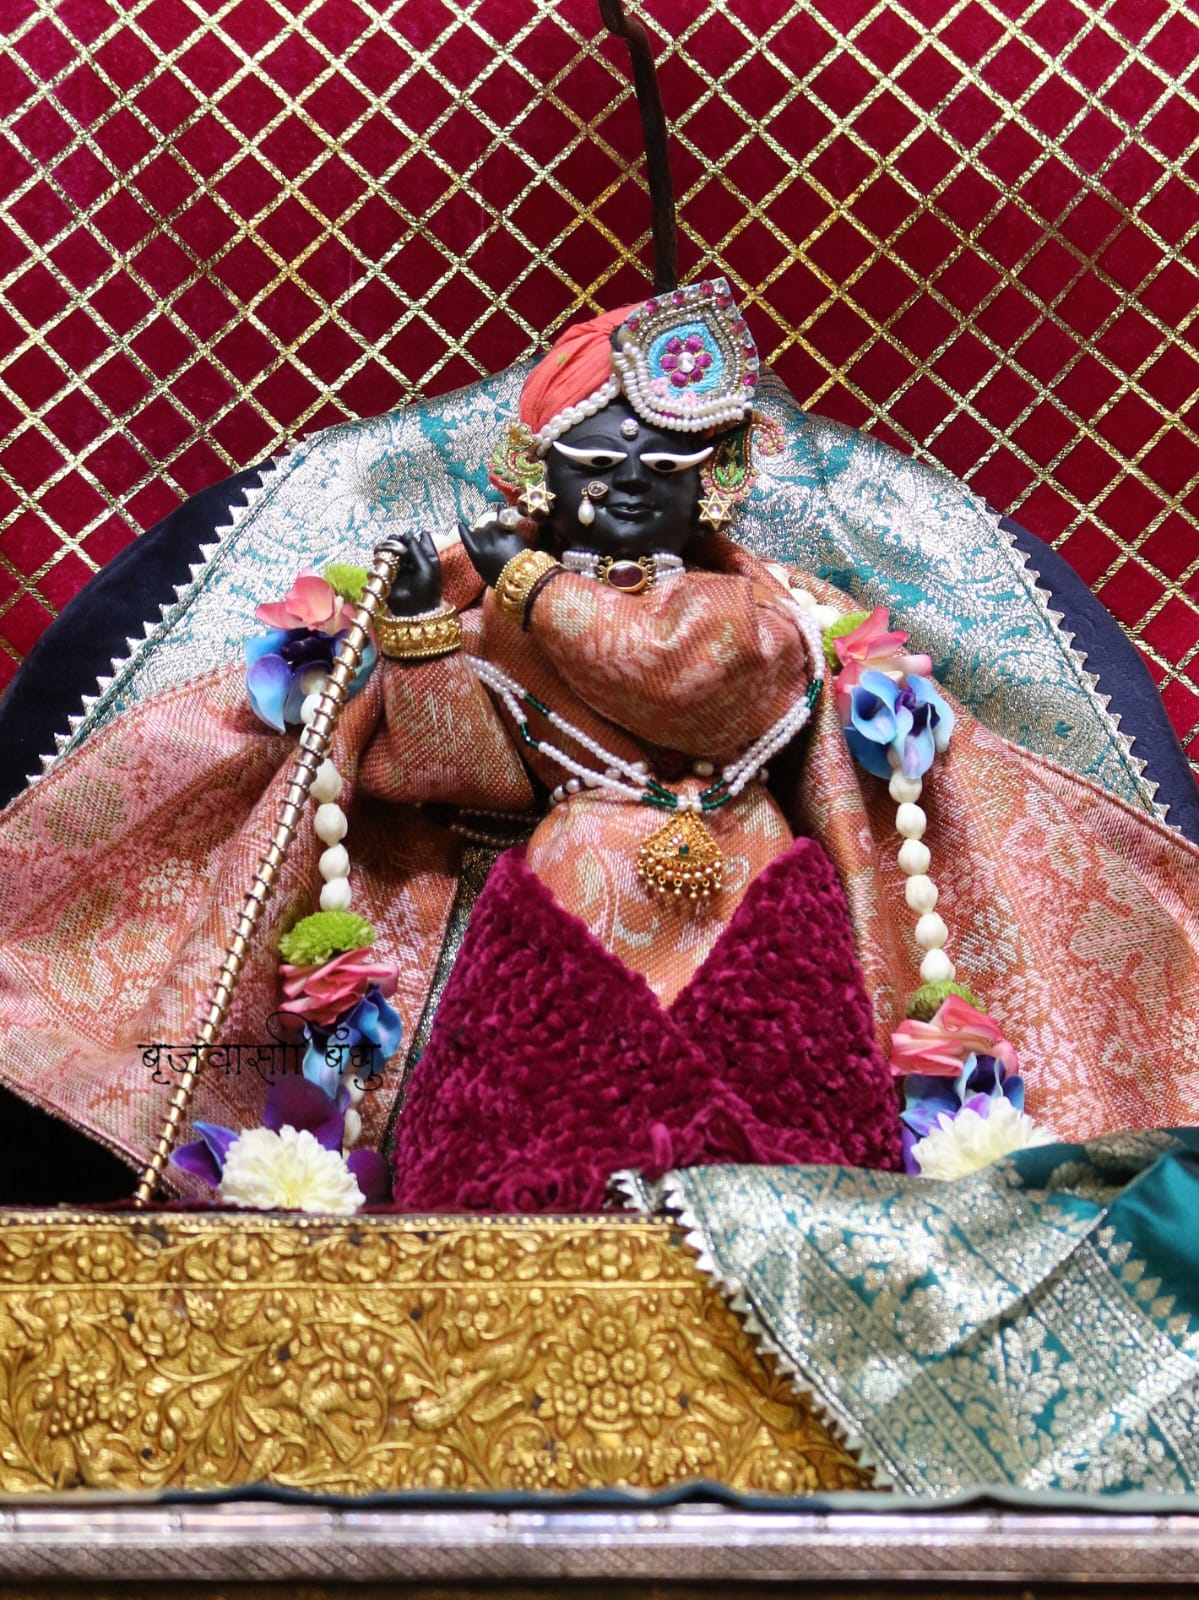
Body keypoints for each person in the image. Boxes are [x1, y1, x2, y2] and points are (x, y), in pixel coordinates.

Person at [0, 280, 1196, 1211]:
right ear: (541, 471)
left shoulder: (756, 611)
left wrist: (521, 577)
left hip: (748, 887)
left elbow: (684, 677)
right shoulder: (495, 613)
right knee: (536, 1153)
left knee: (781, 1139)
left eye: (663, 465)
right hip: (567, 887)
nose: (629, 481)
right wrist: (419, 638)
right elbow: (456, 774)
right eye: (599, 458)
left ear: (710, 486)